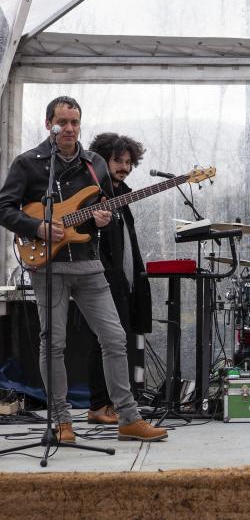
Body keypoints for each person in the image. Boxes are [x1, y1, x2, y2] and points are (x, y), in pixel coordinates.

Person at [0, 96, 167, 442]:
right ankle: (62, 422)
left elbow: (102, 211)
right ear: (49, 124)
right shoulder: (28, 164)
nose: (70, 129)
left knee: (115, 337)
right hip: (49, 265)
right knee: (54, 342)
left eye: (75, 122)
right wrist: (37, 228)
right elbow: (4, 209)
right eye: (63, 122)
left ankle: (128, 418)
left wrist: (103, 219)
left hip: (90, 263)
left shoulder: (95, 165)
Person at [80, 133, 152, 425]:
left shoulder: (122, 199)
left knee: (115, 341)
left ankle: (112, 403)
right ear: (102, 160)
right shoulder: (91, 195)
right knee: (104, 341)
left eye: (128, 162)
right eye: (117, 161)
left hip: (123, 282)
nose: (124, 167)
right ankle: (99, 405)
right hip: (101, 281)